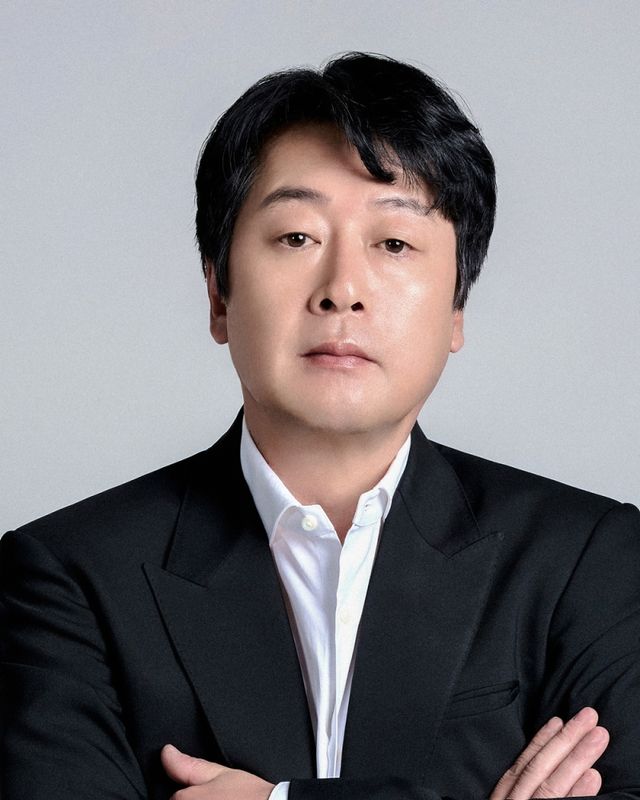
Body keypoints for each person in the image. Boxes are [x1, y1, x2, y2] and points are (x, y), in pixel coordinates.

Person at [1, 52, 639, 800]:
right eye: (296, 238)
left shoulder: (587, 559)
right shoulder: (65, 576)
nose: (342, 290)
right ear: (218, 294)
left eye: (394, 243)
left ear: (456, 309)